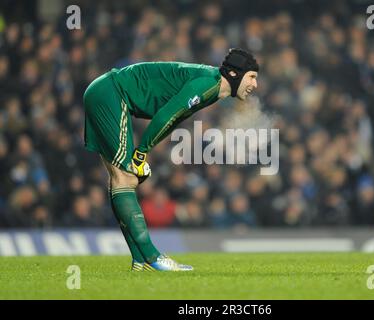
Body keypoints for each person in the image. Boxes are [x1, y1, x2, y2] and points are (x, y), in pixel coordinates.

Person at [83, 48, 259, 271]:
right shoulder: (209, 84)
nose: (255, 84)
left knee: (120, 179)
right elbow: (166, 116)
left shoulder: (211, 84)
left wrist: (143, 151)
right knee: (126, 178)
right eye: (252, 76)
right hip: (112, 93)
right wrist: (141, 152)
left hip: (105, 91)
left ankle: (140, 260)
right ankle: (152, 257)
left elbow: (172, 119)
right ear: (235, 74)